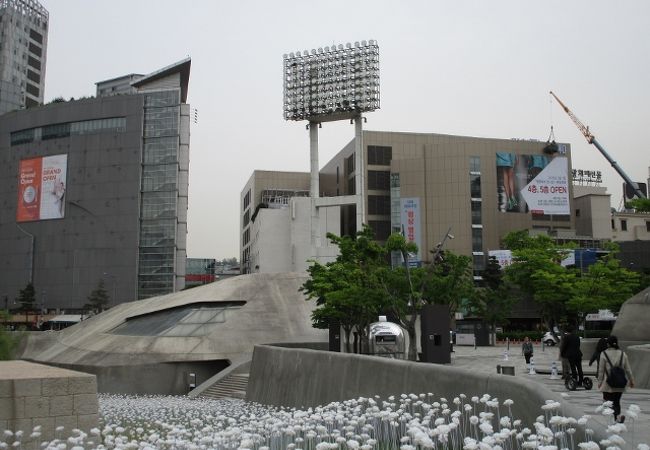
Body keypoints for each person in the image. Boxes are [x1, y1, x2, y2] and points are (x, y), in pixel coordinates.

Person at [598, 335, 634, 423]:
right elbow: (628, 369)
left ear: (608, 344)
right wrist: (631, 380)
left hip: (608, 383)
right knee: (616, 401)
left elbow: (601, 370)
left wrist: (600, 381)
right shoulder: (623, 354)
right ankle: (617, 417)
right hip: (620, 383)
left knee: (607, 402)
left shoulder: (604, 353)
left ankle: (613, 419)